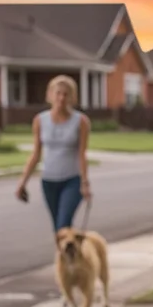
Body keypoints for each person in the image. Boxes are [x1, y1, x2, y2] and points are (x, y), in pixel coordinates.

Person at [15, 75, 93, 233]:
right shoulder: (40, 120)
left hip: (72, 181)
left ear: (72, 97)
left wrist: (85, 183)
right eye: (58, 93)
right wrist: (23, 182)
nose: (61, 97)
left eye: (66, 94)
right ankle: (67, 257)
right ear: (50, 95)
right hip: (49, 181)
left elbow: (82, 154)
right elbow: (36, 154)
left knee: (63, 224)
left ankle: (67, 256)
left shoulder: (81, 121)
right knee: (58, 230)